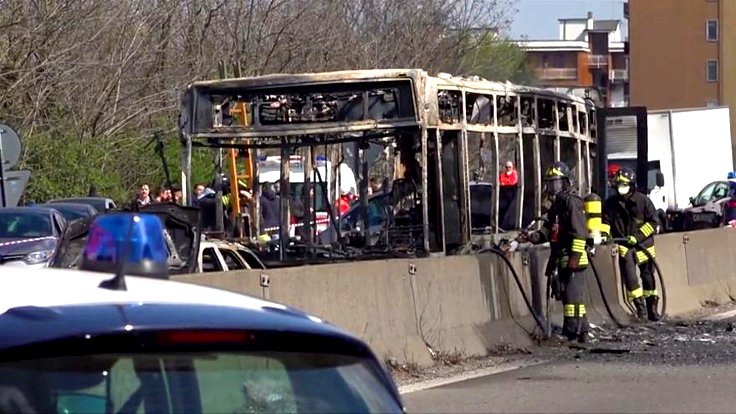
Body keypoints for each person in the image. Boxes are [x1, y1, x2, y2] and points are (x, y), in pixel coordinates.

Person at [525, 161, 590, 342]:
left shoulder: (572, 202)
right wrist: (533, 237)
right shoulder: (556, 205)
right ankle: (582, 331)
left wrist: (574, 258)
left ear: (566, 182)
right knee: (570, 296)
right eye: (550, 182)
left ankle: (570, 333)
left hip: (574, 258)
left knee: (572, 299)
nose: (552, 187)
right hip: (562, 258)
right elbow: (549, 230)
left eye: (556, 182)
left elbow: (580, 233)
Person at [603, 167, 660, 321]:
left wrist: (638, 237)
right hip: (624, 247)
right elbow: (606, 222)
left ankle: (652, 308)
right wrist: (603, 235)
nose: (620, 187)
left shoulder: (643, 201)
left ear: (632, 185)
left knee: (648, 278)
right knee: (631, 279)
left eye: (624, 184)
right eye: (619, 184)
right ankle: (640, 309)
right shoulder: (611, 204)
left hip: (644, 246)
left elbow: (653, 222)